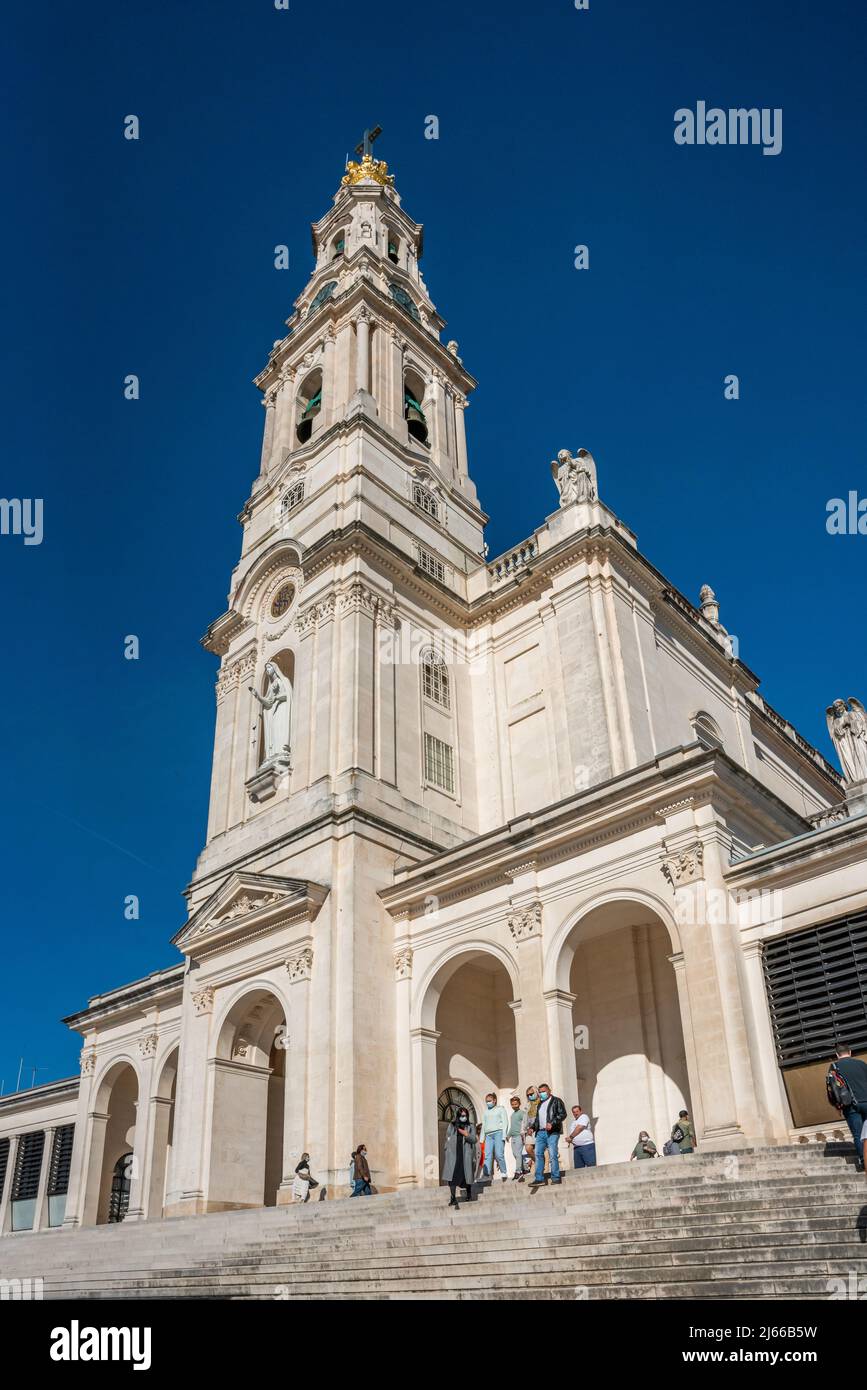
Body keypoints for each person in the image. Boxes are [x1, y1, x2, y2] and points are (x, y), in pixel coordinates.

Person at [826, 1042, 867, 1172]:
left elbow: (831, 1089)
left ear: (837, 1054)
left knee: (858, 1134)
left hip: (850, 1106)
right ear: (850, 1052)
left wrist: (837, 1106)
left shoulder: (834, 1067)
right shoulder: (862, 1064)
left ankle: (863, 1161)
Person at [529, 1083, 567, 1189]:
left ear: (549, 1091)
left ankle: (555, 1177)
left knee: (552, 1153)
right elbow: (538, 1119)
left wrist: (552, 1122)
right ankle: (539, 1179)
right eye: (540, 1092)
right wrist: (532, 1127)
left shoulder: (556, 1101)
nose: (542, 1094)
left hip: (552, 1132)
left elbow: (563, 1114)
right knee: (538, 1154)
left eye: (543, 1091)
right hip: (540, 1132)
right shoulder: (540, 1104)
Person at [442, 1105, 479, 1209]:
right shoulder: (452, 1125)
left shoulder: (470, 1126)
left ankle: (468, 1193)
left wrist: (465, 1134)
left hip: (465, 1154)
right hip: (453, 1154)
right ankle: (453, 1198)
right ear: (458, 1116)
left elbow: (474, 1140)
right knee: (452, 1177)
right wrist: (447, 1149)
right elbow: (448, 1137)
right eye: (462, 1115)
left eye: (465, 1115)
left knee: (466, 1175)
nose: (464, 1117)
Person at [481, 1093, 509, 1180]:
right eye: (486, 1101)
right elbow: (484, 1125)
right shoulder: (485, 1112)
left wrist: (504, 1135)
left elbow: (505, 1122)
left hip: (498, 1133)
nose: (488, 1103)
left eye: (489, 1101)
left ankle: (504, 1172)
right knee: (487, 1155)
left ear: (494, 1100)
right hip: (489, 1135)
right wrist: (482, 1139)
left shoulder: (500, 1109)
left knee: (499, 1154)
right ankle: (486, 1175)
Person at [566, 1103, 597, 1168]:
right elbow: (573, 1134)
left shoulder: (584, 1117)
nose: (576, 1113)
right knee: (579, 1169)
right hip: (577, 1148)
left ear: (581, 1111)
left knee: (591, 1167)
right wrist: (569, 1139)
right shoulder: (573, 1122)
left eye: (577, 1111)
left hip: (587, 1146)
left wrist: (571, 1137)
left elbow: (580, 1127)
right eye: (574, 1112)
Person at [507, 1095, 527, 1180]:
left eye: (516, 1104)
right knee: (515, 1154)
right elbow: (512, 1127)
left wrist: (524, 1135)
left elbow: (525, 1124)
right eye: (512, 1104)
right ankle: (525, 1168)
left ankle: (518, 1171)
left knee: (518, 1153)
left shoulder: (522, 1113)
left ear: (519, 1104)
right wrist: (508, 1135)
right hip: (513, 1137)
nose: (514, 1105)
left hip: (519, 1136)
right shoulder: (512, 1115)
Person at [524, 1086, 540, 1171]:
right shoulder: (528, 1105)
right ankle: (537, 1161)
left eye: (531, 1094)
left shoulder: (541, 1103)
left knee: (538, 1149)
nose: (530, 1096)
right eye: (528, 1095)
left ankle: (540, 1165)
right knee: (528, 1148)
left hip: (539, 1129)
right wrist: (525, 1129)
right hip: (529, 1129)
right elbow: (525, 1118)